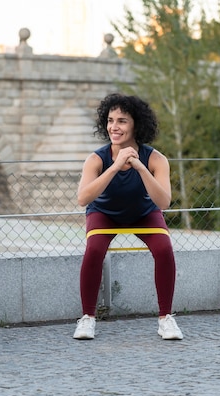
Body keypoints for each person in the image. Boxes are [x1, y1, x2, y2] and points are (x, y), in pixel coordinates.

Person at [73, 93, 183, 341]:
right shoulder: (96, 159)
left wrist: (140, 166)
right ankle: (87, 318)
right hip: (104, 213)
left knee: (164, 248)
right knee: (94, 249)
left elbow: (163, 202)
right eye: (110, 120)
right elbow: (83, 198)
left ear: (136, 124)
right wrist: (114, 166)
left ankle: (166, 318)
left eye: (122, 121)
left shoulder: (156, 159)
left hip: (143, 213)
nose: (114, 126)